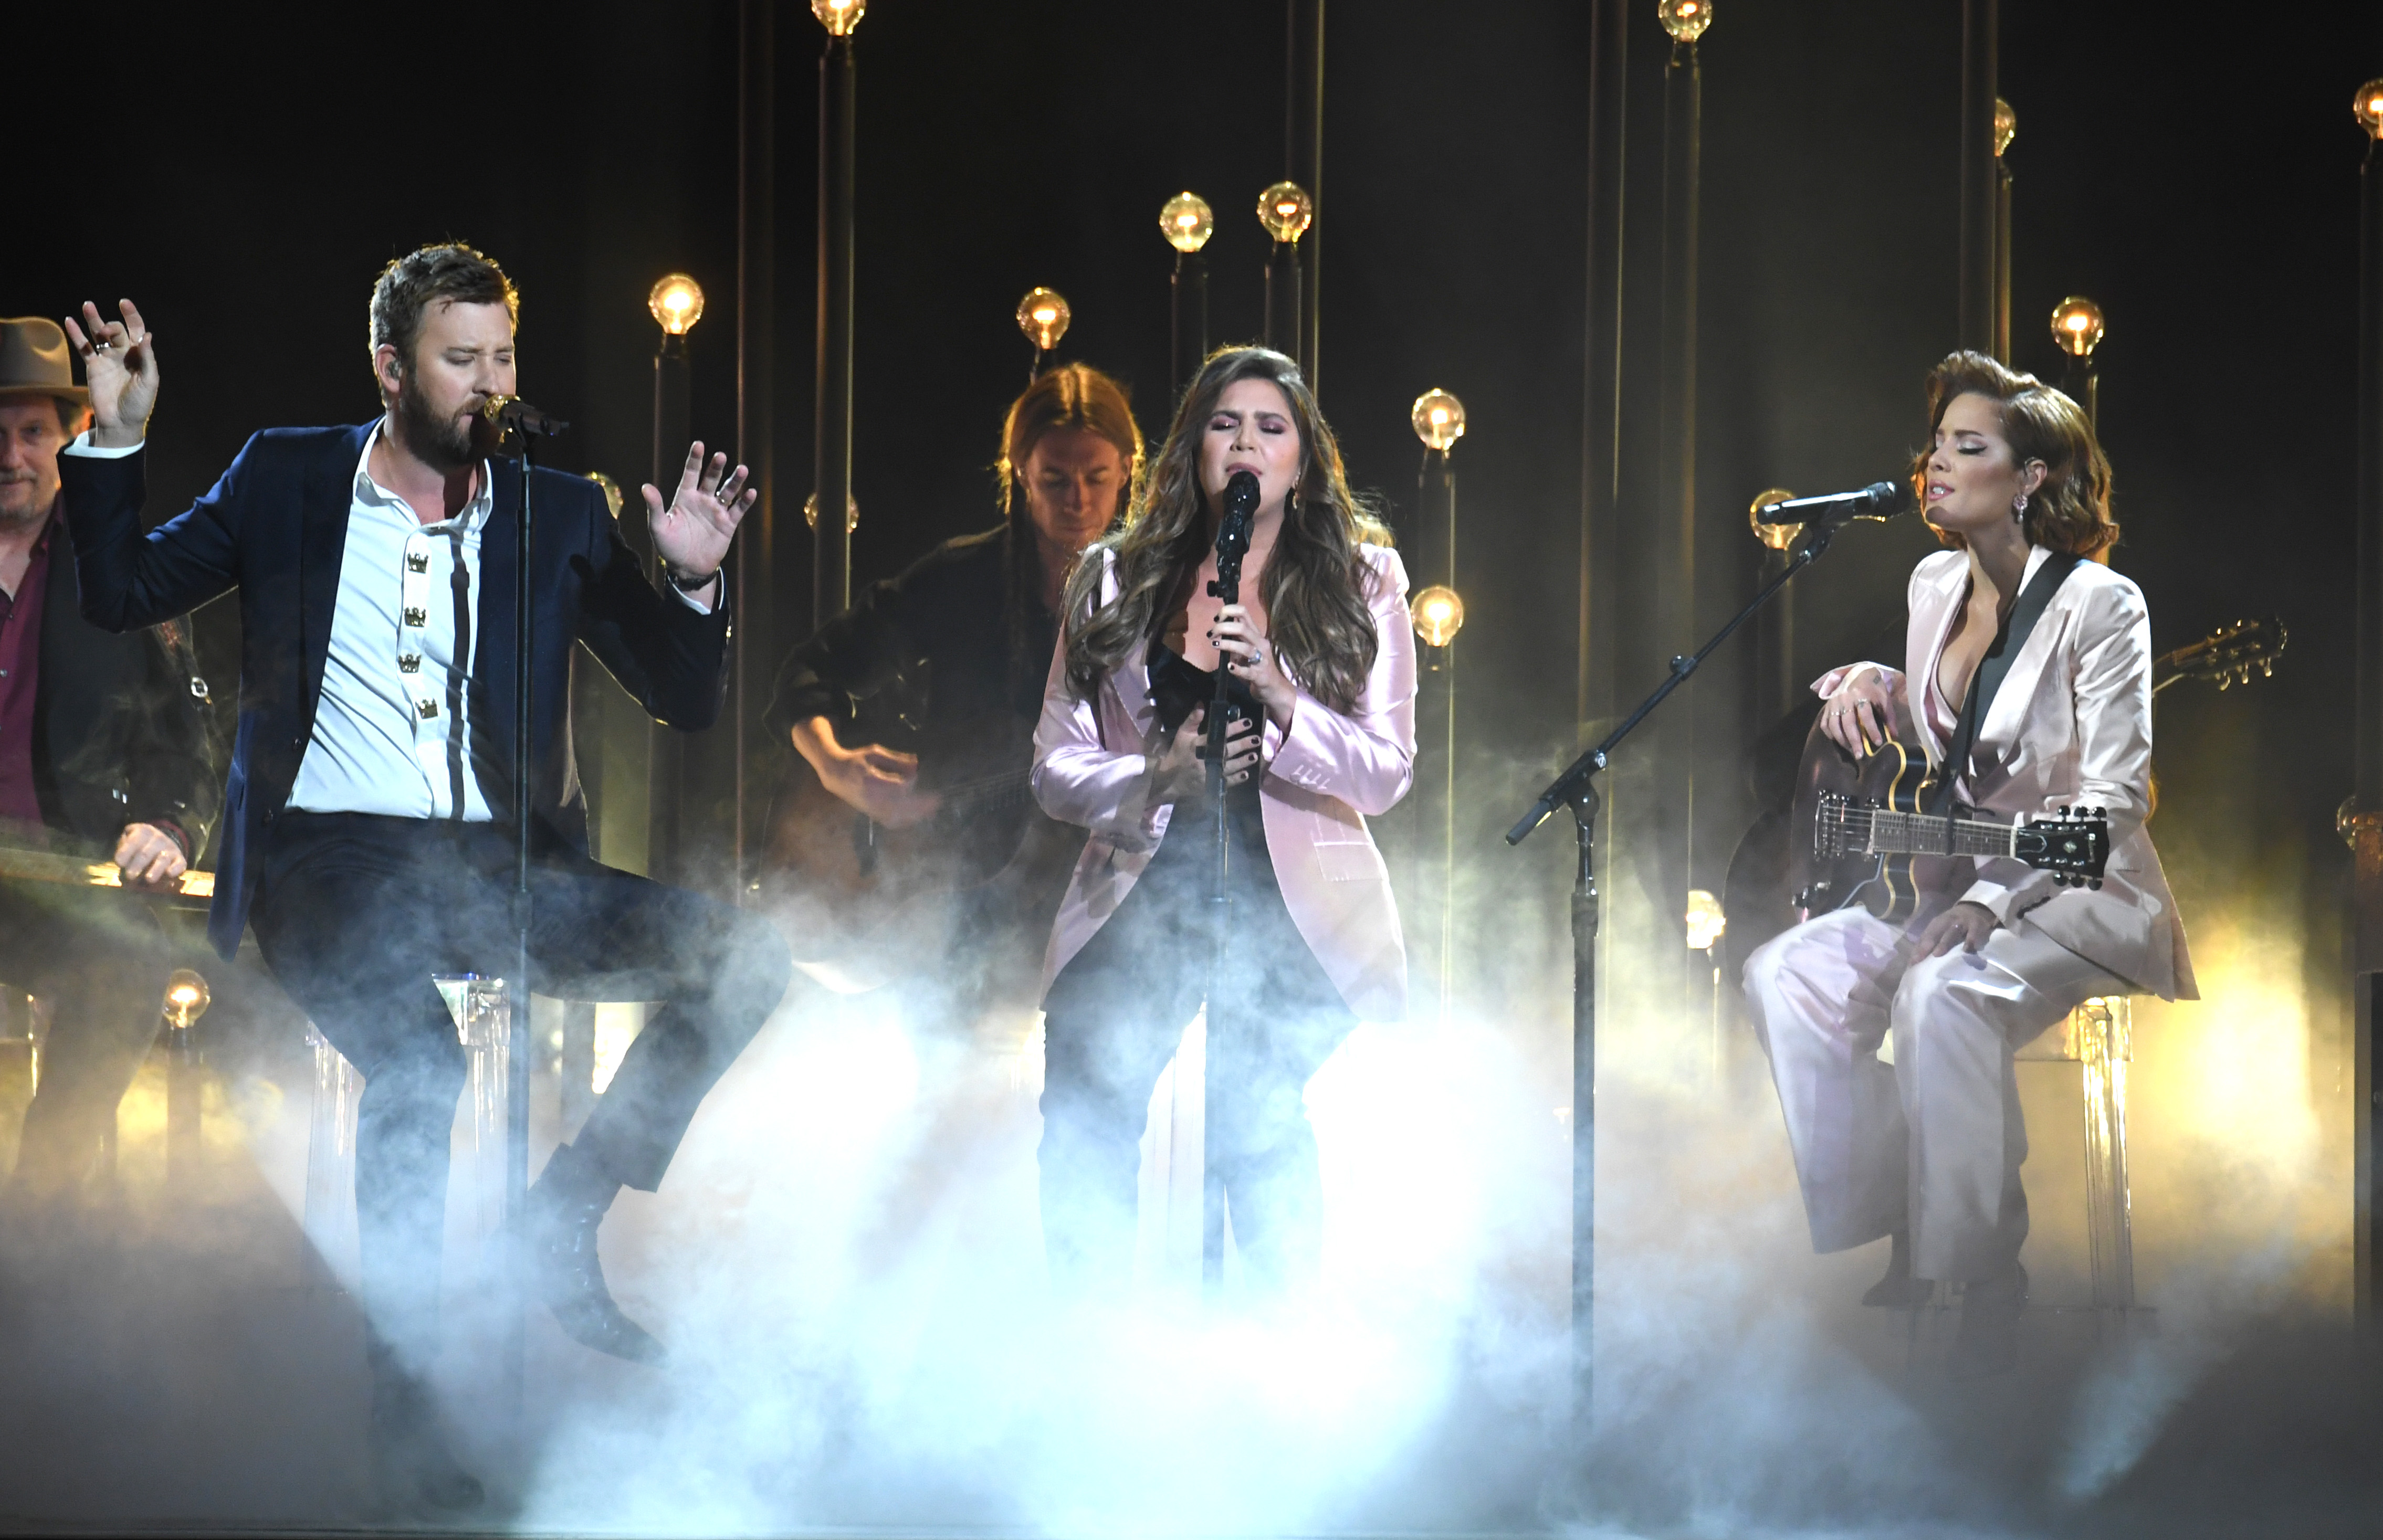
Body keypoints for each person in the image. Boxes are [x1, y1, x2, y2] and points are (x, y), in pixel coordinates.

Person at [55, 245, 793, 1512]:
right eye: (462, 360)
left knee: (746, 958)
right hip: (328, 858)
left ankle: (564, 1214)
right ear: (390, 368)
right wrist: (116, 438)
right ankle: (401, 1420)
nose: (490, 383)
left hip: (496, 861)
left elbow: (679, 699)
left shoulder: (554, 511)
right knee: (420, 1065)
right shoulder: (286, 475)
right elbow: (121, 591)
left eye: (504, 357)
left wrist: (689, 576)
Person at [1742, 351, 2196, 1379]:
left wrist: (1993, 900)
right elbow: (1953, 720)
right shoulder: (1932, 580)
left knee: (1939, 995)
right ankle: (1903, 1205)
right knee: (1784, 973)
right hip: (1954, 883)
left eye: (1966, 446)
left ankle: (1981, 1279)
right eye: (1935, 443)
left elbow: (2115, 797)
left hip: (2078, 888)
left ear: (2029, 476)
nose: (1933, 463)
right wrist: (1866, 682)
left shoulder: (2101, 605)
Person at [1031, 346, 1415, 1295]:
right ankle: (1082, 1336)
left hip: (1294, 895)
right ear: (1191, 449)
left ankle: (1275, 1345)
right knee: (1085, 1098)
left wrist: (1283, 699)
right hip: (1144, 877)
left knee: (1254, 1111)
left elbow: (1385, 771)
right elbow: (1052, 764)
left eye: (1269, 427)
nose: (1245, 442)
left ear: (1301, 461)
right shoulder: (1113, 576)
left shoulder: (1362, 579)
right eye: (1223, 424)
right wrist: (1150, 778)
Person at [761, 364, 1141, 1001]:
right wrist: (835, 767)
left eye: (1096, 477)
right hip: (938, 922)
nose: (1077, 499)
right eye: (1055, 478)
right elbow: (812, 669)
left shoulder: (1158, 596)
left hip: (1090, 915)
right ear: (1020, 472)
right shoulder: (963, 578)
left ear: (1127, 470)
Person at [0, 316, 215, 1209]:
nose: (9, 455)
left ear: (73, 434)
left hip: (60, 879)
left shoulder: (121, 566)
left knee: (127, 963)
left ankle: (39, 1212)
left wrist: (169, 826)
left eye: (31, 431)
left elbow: (188, 742)